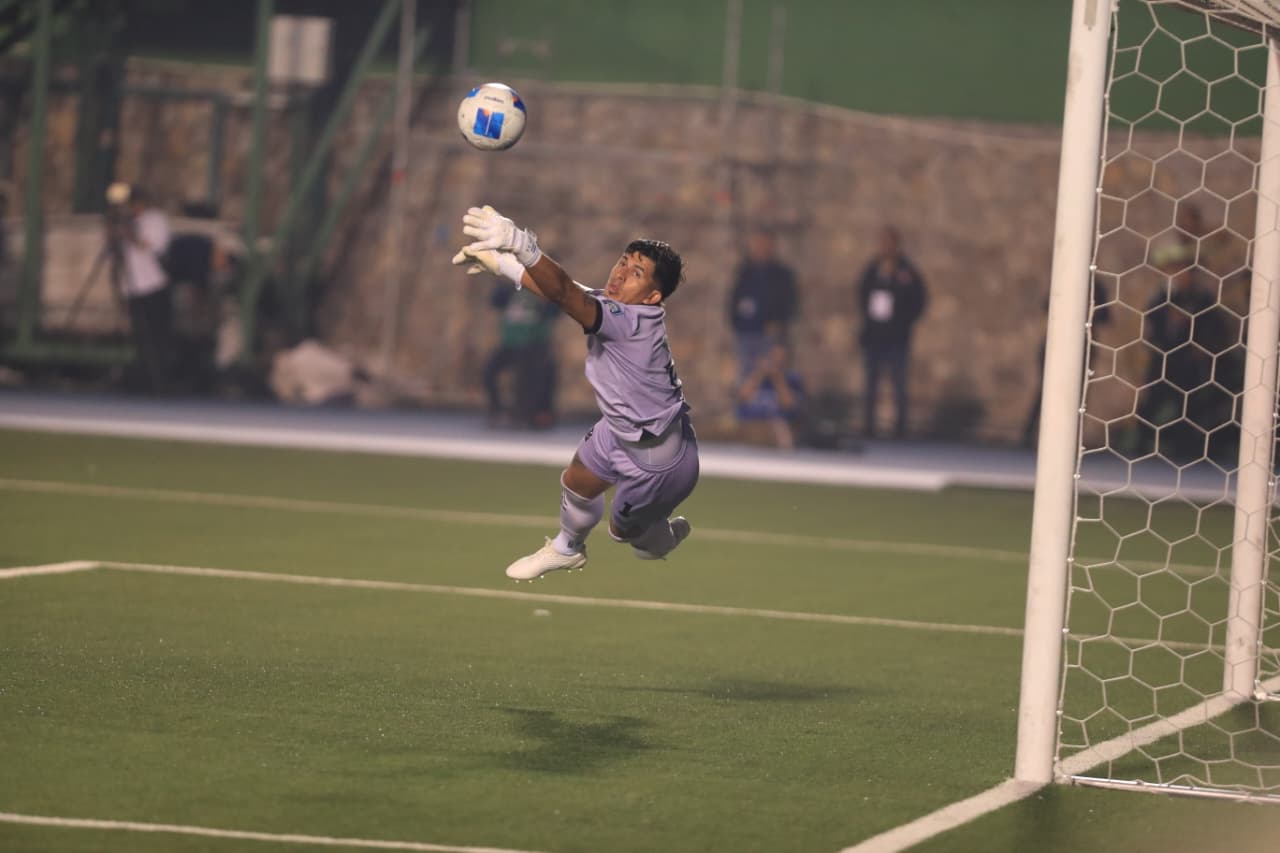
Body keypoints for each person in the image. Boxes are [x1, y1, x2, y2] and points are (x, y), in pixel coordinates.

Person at [453, 205, 698, 581]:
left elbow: (567, 294)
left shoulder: (630, 323)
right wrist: (504, 266)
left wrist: (522, 246)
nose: (620, 273)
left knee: (627, 535)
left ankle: (662, 538)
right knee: (577, 481)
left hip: (659, 460)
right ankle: (567, 550)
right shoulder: (623, 308)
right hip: (623, 430)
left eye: (636, 273)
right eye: (623, 262)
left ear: (652, 297)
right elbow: (573, 293)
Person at [856, 225, 927, 439]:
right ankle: (869, 426)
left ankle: (900, 429)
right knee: (871, 384)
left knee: (898, 384)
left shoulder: (907, 271)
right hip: (875, 336)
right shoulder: (873, 269)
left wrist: (904, 320)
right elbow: (861, 294)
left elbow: (918, 299)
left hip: (897, 338)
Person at [106, 183, 173, 393]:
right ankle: (140, 378)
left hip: (152, 286)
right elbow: (113, 254)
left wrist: (130, 234)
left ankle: (159, 382)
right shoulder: (125, 222)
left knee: (155, 336)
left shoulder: (155, 220)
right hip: (132, 288)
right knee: (138, 337)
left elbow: (154, 247)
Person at [482, 282, 559, 429]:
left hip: (534, 344)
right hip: (510, 344)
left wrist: (546, 300)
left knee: (532, 376)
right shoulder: (511, 290)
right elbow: (495, 300)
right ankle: (497, 409)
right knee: (489, 371)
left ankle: (530, 413)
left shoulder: (543, 291)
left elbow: (554, 311)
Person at [727, 228, 798, 380]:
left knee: (772, 374)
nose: (762, 248)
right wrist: (737, 323)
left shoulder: (781, 275)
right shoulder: (745, 272)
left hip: (770, 335)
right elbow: (734, 300)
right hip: (746, 333)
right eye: (759, 244)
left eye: (766, 244)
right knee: (748, 376)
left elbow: (789, 302)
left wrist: (779, 323)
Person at [735, 338, 807, 450]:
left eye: (781, 358)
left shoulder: (792, 379)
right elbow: (742, 397)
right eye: (774, 357)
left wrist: (777, 377)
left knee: (780, 430)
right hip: (752, 423)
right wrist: (759, 373)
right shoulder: (753, 375)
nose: (777, 361)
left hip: (778, 425)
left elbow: (788, 404)